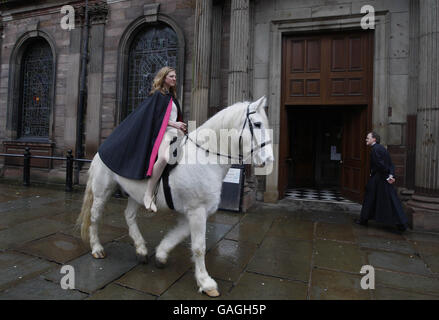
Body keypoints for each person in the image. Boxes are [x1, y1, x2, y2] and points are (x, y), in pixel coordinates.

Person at [98, 66, 187, 212]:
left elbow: (171, 117)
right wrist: (173, 123)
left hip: (177, 133)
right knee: (164, 158)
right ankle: (149, 193)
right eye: (171, 76)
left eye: (175, 76)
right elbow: (153, 119)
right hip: (165, 132)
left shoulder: (172, 98)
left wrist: (180, 126)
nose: (174, 79)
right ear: (164, 78)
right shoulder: (158, 95)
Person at [355, 132, 408, 232]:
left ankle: (364, 220)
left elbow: (381, 165)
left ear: (374, 139)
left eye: (368, 138)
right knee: (390, 199)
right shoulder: (383, 149)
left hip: (378, 178)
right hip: (384, 178)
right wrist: (391, 175)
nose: (366, 139)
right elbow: (391, 164)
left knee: (370, 198)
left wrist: (387, 175)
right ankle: (401, 224)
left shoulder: (375, 149)